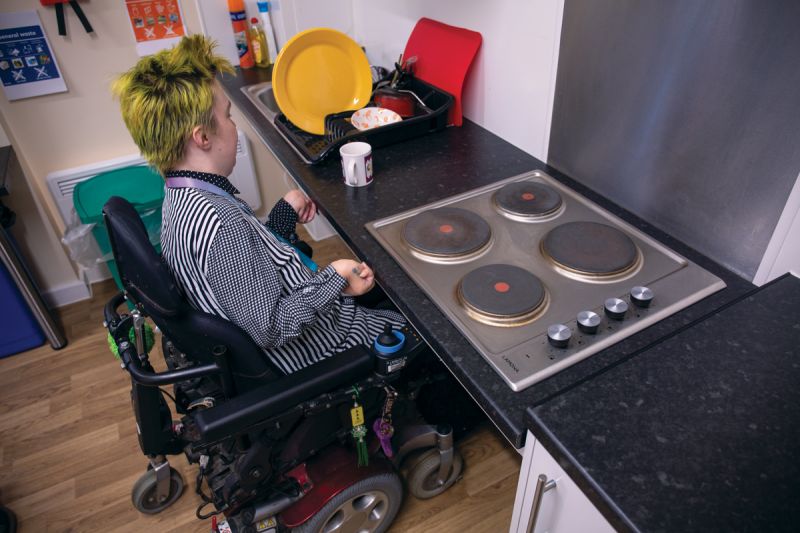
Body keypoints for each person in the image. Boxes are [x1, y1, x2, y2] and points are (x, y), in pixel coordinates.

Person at [112, 35, 404, 374]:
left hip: (316, 327)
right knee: (421, 330)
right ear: (202, 137)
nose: (234, 126)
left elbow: (244, 270)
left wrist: (281, 218)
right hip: (325, 349)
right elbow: (272, 327)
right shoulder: (220, 225)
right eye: (227, 115)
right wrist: (334, 278)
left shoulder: (184, 196)